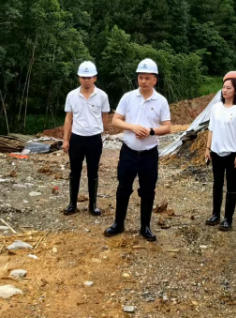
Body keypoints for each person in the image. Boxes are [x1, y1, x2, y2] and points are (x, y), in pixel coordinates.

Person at [104, 59, 171, 241]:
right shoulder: (128, 97)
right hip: (128, 152)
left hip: (149, 153)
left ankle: (145, 227)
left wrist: (151, 131)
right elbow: (115, 120)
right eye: (141, 77)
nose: (143, 81)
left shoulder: (161, 101)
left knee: (148, 190)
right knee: (123, 187)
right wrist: (132, 127)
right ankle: (118, 223)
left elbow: (167, 127)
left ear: (155, 80)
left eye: (147, 78)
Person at [62, 61, 111, 216]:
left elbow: (105, 116)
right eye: (83, 77)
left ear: (95, 78)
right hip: (77, 138)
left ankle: (92, 205)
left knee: (93, 172)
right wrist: (66, 140)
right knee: (75, 171)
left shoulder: (102, 96)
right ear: (79, 78)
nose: (86, 80)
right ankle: (72, 204)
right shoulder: (72, 95)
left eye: (89, 77)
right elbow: (68, 119)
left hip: (94, 139)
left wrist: (98, 129)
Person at [204, 77, 236, 231]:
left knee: (231, 185)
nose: (225, 90)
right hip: (216, 152)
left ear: (235, 91)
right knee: (217, 184)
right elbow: (211, 129)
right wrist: (207, 148)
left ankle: (228, 218)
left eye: (228, 88)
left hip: (231, 154)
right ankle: (215, 214)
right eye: (223, 87)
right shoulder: (216, 108)